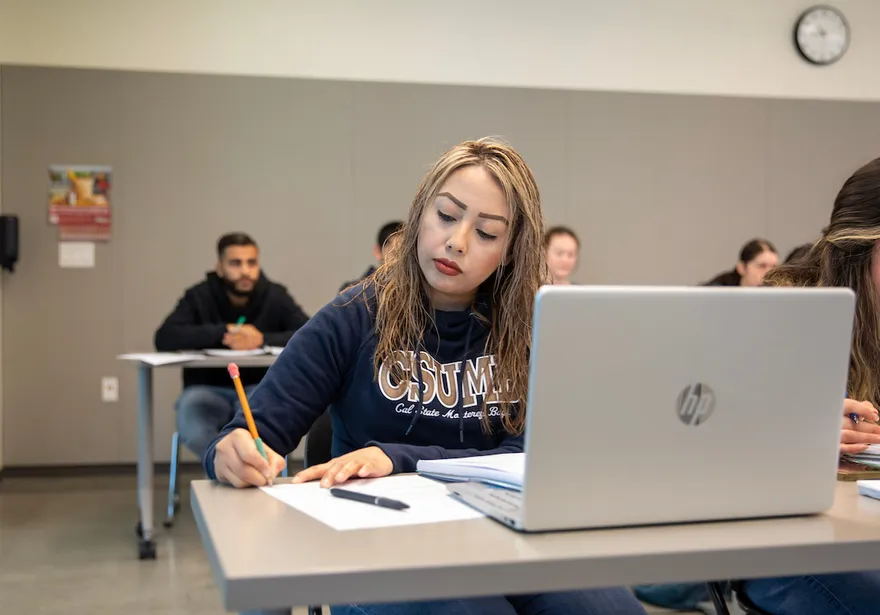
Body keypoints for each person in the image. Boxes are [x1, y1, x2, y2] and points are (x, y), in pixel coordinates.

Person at [206, 139, 647, 615]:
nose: (457, 241)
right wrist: (232, 453)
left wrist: (398, 457)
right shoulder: (354, 316)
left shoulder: (532, 327)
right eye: (446, 215)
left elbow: (534, 458)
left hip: (506, 534)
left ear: (510, 250)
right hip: (382, 546)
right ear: (419, 215)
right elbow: (249, 435)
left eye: (486, 233)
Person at [742, 157, 880, 614]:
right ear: (859, 249)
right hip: (786, 542)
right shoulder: (787, 314)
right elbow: (717, 443)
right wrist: (806, 430)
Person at [155, 232, 309, 460]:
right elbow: (165, 337)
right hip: (205, 389)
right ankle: (223, 468)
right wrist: (223, 332)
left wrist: (261, 339)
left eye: (251, 262)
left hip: (259, 386)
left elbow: (306, 332)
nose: (245, 271)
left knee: (268, 427)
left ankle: (251, 473)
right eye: (235, 263)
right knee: (195, 426)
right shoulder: (199, 295)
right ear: (219, 267)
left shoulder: (275, 295)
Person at [339, 220, 403, 292]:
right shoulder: (353, 292)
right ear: (377, 252)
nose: (401, 260)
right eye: (395, 254)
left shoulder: (413, 289)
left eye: (407, 254)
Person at [704, 239, 779, 286]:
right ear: (742, 268)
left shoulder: (782, 293)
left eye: (774, 267)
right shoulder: (717, 291)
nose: (770, 273)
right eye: (762, 266)